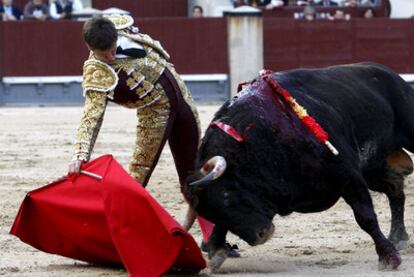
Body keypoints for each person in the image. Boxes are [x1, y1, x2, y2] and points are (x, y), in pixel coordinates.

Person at [68, 15, 239, 257]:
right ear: (90, 49)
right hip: (153, 115)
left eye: (112, 50)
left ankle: (213, 240)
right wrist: (80, 154)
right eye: (103, 54)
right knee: (136, 181)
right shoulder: (96, 71)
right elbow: (91, 116)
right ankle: (115, 240)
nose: (110, 57)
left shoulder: (121, 28)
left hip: (181, 100)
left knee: (193, 174)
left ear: (116, 36)